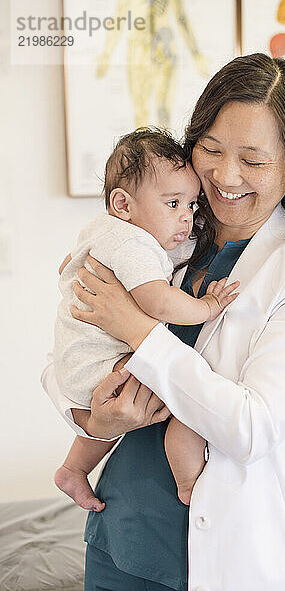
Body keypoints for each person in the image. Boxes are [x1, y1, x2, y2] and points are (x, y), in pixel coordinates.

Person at [42, 53, 285, 591]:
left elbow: (253, 426)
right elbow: (65, 358)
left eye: (253, 161)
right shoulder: (161, 231)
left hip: (223, 559)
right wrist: (94, 422)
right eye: (210, 149)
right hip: (118, 538)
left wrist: (137, 329)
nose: (225, 175)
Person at [53, 128, 239, 513]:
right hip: (100, 367)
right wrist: (205, 307)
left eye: (192, 205)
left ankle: (74, 468)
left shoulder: (109, 232)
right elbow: (157, 300)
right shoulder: (131, 242)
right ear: (123, 204)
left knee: (134, 405)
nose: (187, 218)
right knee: (189, 400)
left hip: (76, 365)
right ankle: (189, 485)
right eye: (173, 204)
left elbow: (67, 266)